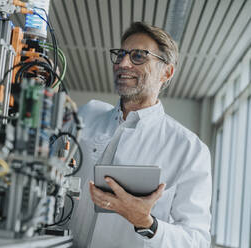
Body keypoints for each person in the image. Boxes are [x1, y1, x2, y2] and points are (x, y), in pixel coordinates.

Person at [68, 22, 212, 247]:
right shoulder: (87, 116)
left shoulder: (189, 149)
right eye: (121, 54)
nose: (123, 64)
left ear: (167, 71)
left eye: (138, 56)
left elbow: (197, 241)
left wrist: (146, 222)